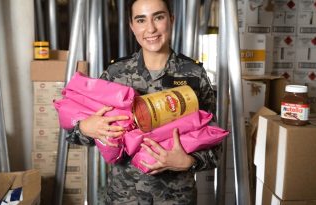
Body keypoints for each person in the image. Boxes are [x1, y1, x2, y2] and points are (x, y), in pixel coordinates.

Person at [66, 0, 221, 204]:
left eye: (158, 17)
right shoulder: (115, 74)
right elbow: (73, 135)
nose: (151, 28)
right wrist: (86, 128)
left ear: (171, 19)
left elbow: (214, 144)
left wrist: (189, 162)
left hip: (176, 199)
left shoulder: (194, 75)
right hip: (125, 197)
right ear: (132, 26)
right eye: (141, 20)